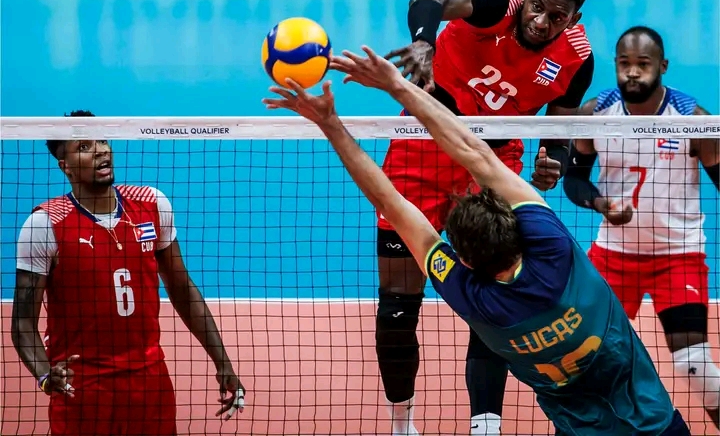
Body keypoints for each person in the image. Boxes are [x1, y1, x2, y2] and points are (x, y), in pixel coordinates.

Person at [261, 46, 691, 435]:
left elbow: (389, 201)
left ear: (463, 259)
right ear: (517, 228)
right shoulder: (554, 251)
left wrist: (331, 125)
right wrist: (397, 85)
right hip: (655, 424)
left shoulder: (471, 296)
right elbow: (477, 155)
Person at [375, 0, 594, 432]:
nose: (540, 20)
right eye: (537, 6)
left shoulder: (578, 59)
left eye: (557, 16)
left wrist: (551, 158)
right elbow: (428, 1)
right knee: (397, 303)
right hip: (422, 145)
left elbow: (560, 126)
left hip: (491, 165)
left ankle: (486, 427)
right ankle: (401, 423)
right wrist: (423, 43)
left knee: (496, 298)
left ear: (574, 19)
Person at [11, 111, 245, 435]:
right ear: (64, 166)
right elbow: (23, 323)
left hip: (150, 382)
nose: (101, 150)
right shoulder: (44, 225)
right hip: (83, 387)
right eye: (84, 146)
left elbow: (182, 288)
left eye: (103, 140)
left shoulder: (152, 204)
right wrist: (44, 375)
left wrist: (222, 361)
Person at [563, 26, 720, 429]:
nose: (633, 73)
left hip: (678, 255)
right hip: (612, 256)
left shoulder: (692, 120)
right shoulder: (596, 115)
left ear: (662, 67)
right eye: (624, 64)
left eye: (643, 65)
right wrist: (600, 203)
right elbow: (574, 179)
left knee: (694, 364)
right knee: (584, 359)